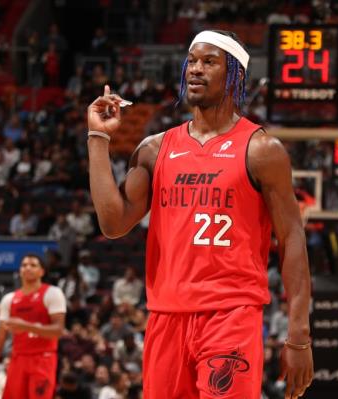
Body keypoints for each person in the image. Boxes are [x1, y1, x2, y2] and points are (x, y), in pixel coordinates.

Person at [87, 29, 313, 398]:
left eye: (209, 62)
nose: (195, 69)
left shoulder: (261, 150)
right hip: (166, 316)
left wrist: (298, 335)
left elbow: (292, 239)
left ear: (234, 75)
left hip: (231, 315)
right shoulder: (154, 149)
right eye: (191, 61)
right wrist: (98, 139)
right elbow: (113, 224)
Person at [0, 254, 67, 399]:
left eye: (33, 265)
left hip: (43, 358)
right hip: (18, 359)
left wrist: (27, 326)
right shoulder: (9, 300)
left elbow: (58, 331)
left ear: (42, 271)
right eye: (24, 265)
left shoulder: (52, 293)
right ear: (20, 271)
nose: (28, 268)